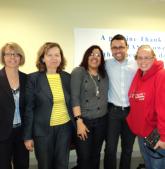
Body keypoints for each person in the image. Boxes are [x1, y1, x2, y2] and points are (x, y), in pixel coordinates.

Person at [23, 42, 74, 169]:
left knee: (62, 164)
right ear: (42, 58)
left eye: (57, 55)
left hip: (64, 128)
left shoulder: (67, 77)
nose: (54, 58)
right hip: (42, 130)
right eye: (49, 55)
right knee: (45, 165)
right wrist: (27, 136)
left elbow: (73, 103)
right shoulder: (33, 78)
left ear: (61, 58)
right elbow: (29, 109)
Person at [127, 45, 165, 169]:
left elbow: (163, 108)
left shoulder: (161, 75)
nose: (143, 61)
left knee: (156, 166)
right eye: (140, 58)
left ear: (154, 58)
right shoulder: (139, 75)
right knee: (149, 164)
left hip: (156, 133)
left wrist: (163, 137)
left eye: (147, 58)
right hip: (142, 132)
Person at [71, 45, 109, 169]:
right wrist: (79, 121)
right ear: (87, 56)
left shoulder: (104, 74)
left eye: (98, 55)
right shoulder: (79, 72)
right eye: (92, 54)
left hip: (102, 121)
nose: (95, 57)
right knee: (84, 157)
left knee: (96, 155)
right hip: (84, 122)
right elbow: (74, 97)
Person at [104, 34, 137, 169]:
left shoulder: (136, 65)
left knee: (127, 149)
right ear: (111, 49)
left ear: (127, 47)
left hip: (131, 112)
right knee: (110, 149)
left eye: (121, 47)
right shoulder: (106, 64)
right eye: (114, 47)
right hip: (113, 112)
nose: (118, 50)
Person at [0, 42, 29, 169]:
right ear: (3, 57)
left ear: (21, 57)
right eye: (8, 54)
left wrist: (30, 134)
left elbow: (30, 108)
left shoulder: (27, 79)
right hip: (2, 133)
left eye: (16, 54)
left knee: (22, 165)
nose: (12, 57)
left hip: (22, 133)